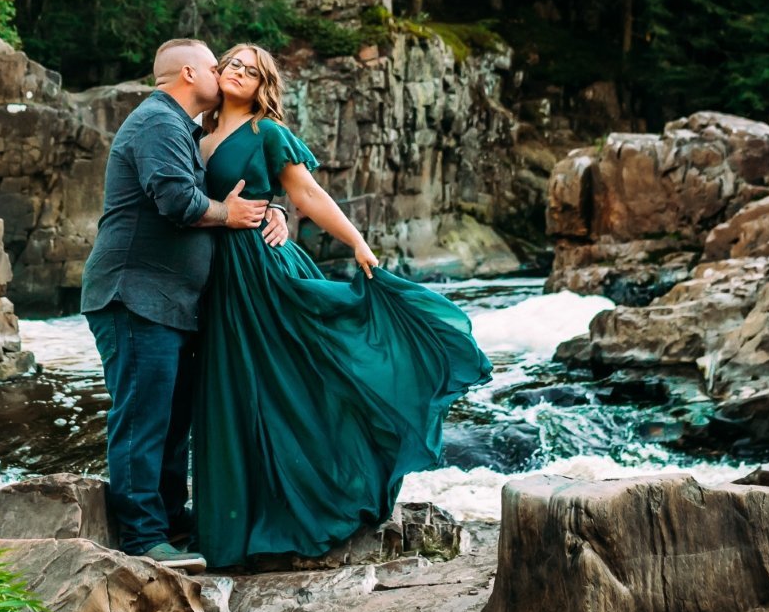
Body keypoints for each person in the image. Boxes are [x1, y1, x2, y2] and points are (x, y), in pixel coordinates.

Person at [193, 42, 491, 570]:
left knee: (293, 386)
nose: (237, 71)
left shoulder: (267, 133)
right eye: (232, 63)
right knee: (236, 393)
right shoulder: (197, 133)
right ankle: (239, 527)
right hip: (219, 282)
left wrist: (357, 242)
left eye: (250, 69)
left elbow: (306, 196)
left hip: (262, 272)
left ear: (264, 86)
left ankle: (316, 506)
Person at [79, 37, 289, 566]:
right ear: (191, 73)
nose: (224, 73)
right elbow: (176, 199)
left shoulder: (186, 129)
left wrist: (274, 210)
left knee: (172, 422)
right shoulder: (158, 122)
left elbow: (240, 179)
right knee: (143, 418)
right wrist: (230, 215)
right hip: (135, 295)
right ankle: (143, 539)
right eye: (217, 66)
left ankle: (172, 522)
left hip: (169, 302)